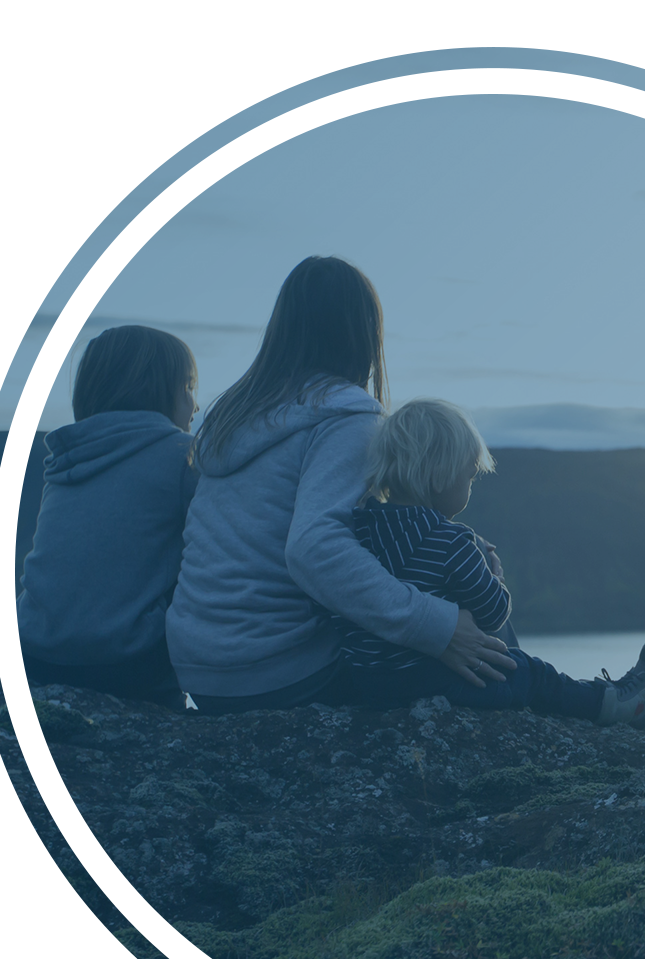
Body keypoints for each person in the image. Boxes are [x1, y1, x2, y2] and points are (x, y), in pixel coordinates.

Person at [166, 256, 516, 715]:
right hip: (283, 667)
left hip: (203, 670)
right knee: (478, 593)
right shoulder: (346, 418)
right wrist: (439, 627)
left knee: (459, 558)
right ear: (364, 334)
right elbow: (313, 548)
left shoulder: (234, 417)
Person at [334, 398, 645, 730]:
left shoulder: (356, 532)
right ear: (439, 478)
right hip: (432, 680)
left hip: (369, 682)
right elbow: (493, 613)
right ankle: (621, 705)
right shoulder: (451, 541)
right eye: (469, 476)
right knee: (531, 673)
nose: (471, 485)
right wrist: (492, 571)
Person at [15, 325, 200, 711]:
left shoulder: (67, 458)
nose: (195, 406)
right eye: (188, 387)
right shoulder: (181, 455)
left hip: (36, 652)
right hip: (125, 662)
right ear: (157, 390)